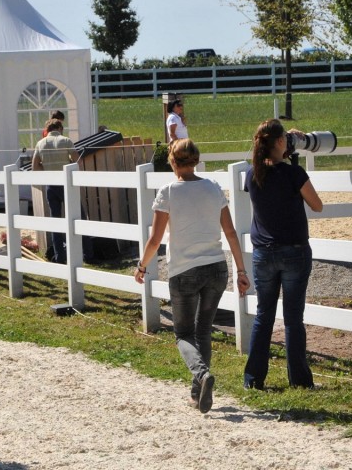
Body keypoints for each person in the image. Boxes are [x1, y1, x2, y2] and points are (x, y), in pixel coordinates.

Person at [134, 139, 249, 413]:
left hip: (184, 271)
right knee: (203, 331)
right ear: (196, 160)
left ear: (172, 162)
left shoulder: (168, 192)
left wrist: (142, 266)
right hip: (216, 269)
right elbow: (231, 233)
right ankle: (198, 394)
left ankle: (202, 375)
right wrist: (241, 271)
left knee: (183, 334)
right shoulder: (212, 188)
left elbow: (155, 239)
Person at [243, 119, 323, 390]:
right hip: (294, 252)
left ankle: (253, 379)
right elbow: (317, 205)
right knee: (292, 319)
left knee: (263, 316)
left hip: (263, 255)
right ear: (280, 143)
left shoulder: (251, 175)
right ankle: (299, 380)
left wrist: (285, 155)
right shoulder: (293, 174)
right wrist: (294, 163)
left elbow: (268, 168)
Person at [32, 118, 79, 264]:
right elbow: (77, 161)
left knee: (55, 221)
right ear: (59, 128)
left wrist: (47, 170)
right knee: (78, 216)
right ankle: (85, 252)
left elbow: (35, 166)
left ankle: (60, 256)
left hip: (51, 186)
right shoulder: (66, 141)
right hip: (65, 184)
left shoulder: (40, 143)